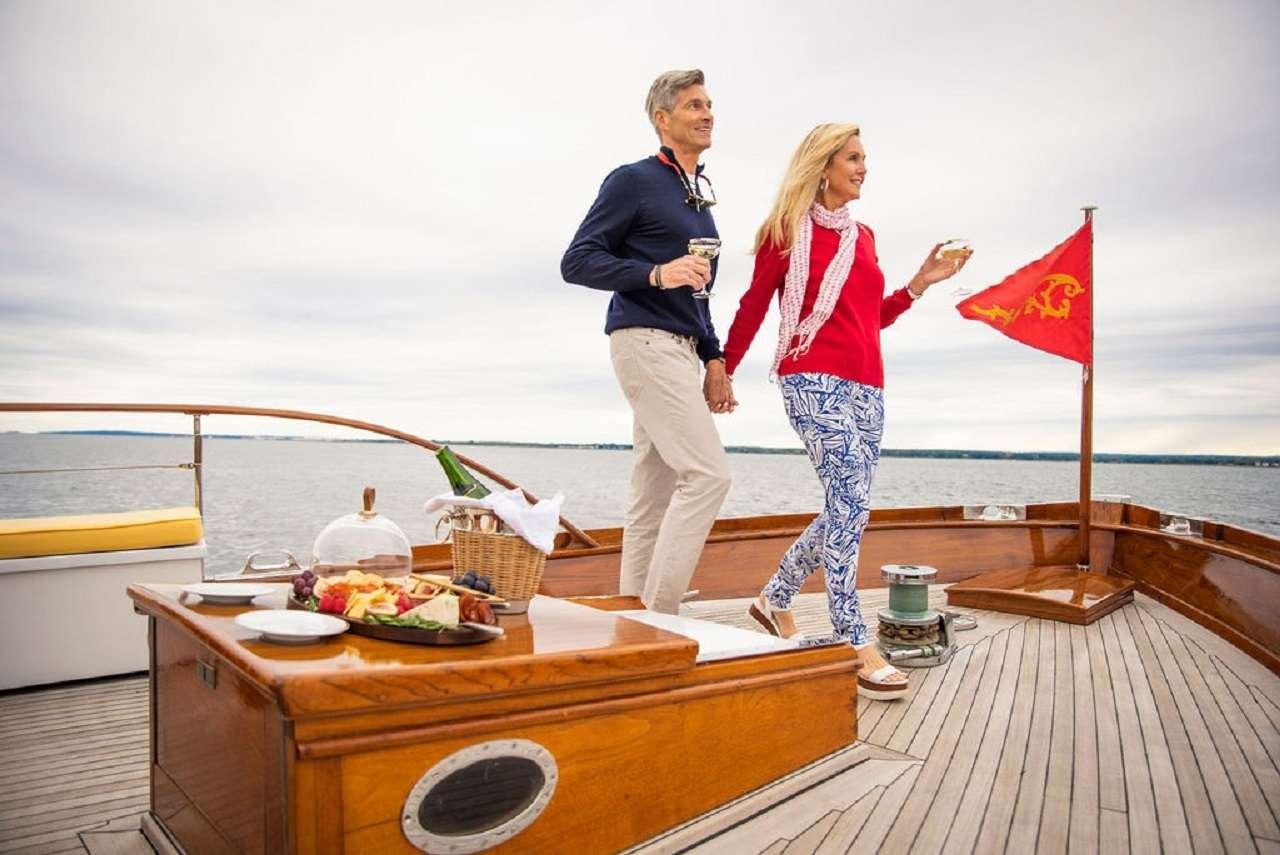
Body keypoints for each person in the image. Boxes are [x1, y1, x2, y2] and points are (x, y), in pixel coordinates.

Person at [723, 123, 971, 699]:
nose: (863, 168)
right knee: (850, 500)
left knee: (848, 505)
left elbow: (870, 317)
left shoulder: (865, 236)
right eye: (853, 158)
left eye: (865, 159)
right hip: (809, 376)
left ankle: (774, 598)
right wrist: (723, 368)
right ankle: (852, 635)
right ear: (824, 165)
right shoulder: (786, 232)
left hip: (868, 386)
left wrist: (919, 284)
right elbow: (755, 304)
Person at [560, 69, 734, 614]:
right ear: (663, 120)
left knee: (654, 495)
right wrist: (656, 273)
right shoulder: (632, 180)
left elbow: (699, 291)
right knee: (708, 476)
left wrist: (714, 356)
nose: (707, 114)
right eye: (692, 106)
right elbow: (577, 261)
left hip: (682, 348)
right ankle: (663, 618)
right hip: (644, 341)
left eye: (709, 104)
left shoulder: (699, 197)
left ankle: (633, 618)